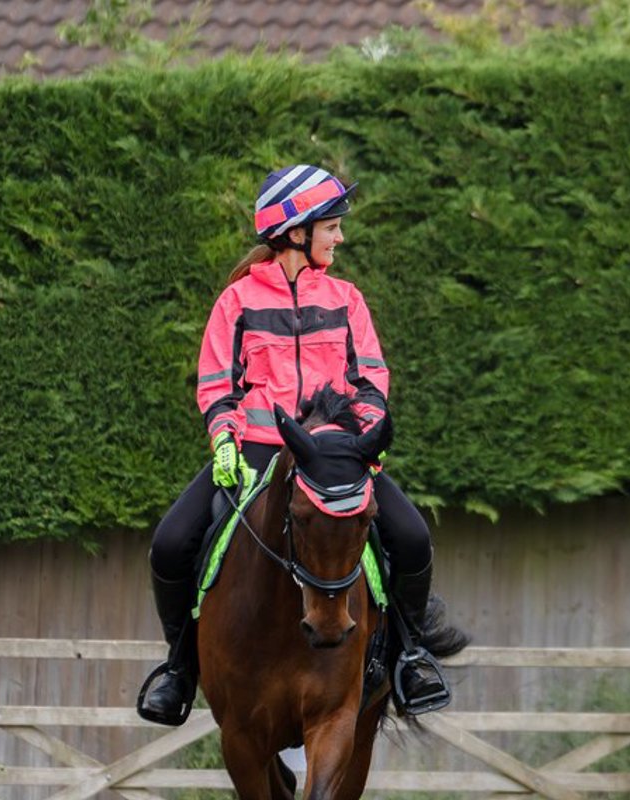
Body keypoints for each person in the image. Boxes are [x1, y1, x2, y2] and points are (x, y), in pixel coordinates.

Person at [137, 164, 452, 726]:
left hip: (337, 454)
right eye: (332, 226)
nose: (340, 237)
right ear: (296, 231)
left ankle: (411, 659)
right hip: (257, 451)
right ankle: (181, 668)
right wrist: (224, 441)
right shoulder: (235, 302)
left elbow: (370, 379)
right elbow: (217, 385)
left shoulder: (347, 299)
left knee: (412, 536)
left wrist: (367, 439)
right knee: (170, 543)